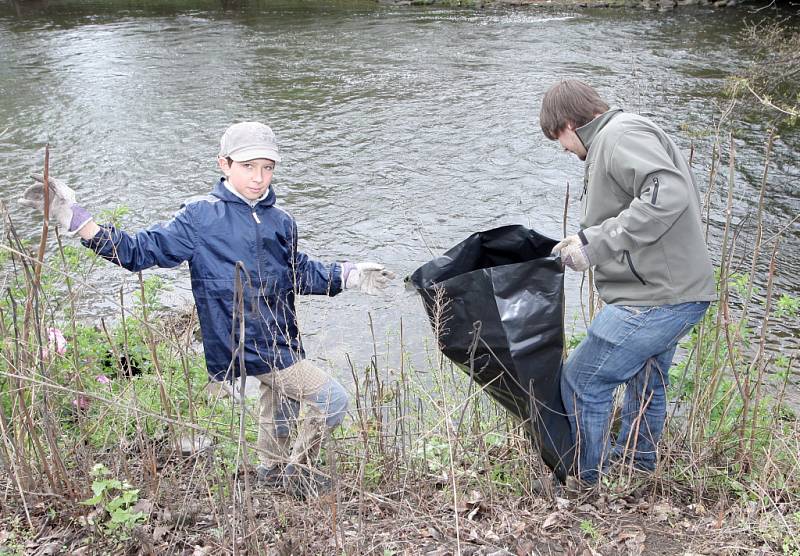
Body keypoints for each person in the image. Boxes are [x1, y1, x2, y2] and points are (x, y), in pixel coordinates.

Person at [21, 121, 395, 498]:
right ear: (224, 164)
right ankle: (298, 474)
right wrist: (76, 219)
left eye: (267, 167)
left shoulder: (281, 222)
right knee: (331, 399)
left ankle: (272, 473)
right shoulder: (200, 217)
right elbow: (137, 251)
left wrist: (347, 275)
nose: (258, 177)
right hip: (241, 344)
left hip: (282, 337)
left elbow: (296, 271)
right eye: (248, 167)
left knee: (279, 410)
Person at [540, 80, 716, 486]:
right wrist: (581, 241)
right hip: (673, 290)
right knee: (647, 380)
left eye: (558, 139)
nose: (564, 149)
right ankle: (638, 469)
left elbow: (668, 196)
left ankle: (583, 482)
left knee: (583, 380)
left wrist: (595, 244)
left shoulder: (619, 137)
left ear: (568, 124)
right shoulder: (616, 136)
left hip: (657, 297)